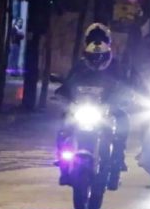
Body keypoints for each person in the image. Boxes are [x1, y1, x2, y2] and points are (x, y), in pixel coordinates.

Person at [55, 23, 130, 190]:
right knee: (63, 126)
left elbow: (124, 88)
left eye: (101, 39)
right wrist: (63, 95)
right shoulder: (80, 66)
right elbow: (68, 85)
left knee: (123, 121)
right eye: (92, 39)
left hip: (106, 111)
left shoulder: (115, 67)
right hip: (81, 110)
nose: (96, 43)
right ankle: (63, 163)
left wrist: (118, 101)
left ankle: (117, 161)